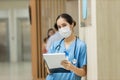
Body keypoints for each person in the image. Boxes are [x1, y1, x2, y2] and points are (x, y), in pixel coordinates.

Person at [46, 13, 87, 80]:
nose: (62, 29)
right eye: (59, 27)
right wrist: (48, 69)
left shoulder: (80, 46)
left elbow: (83, 72)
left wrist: (72, 67)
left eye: (64, 25)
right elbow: (48, 69)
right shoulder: (55, 45)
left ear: (72, 24)